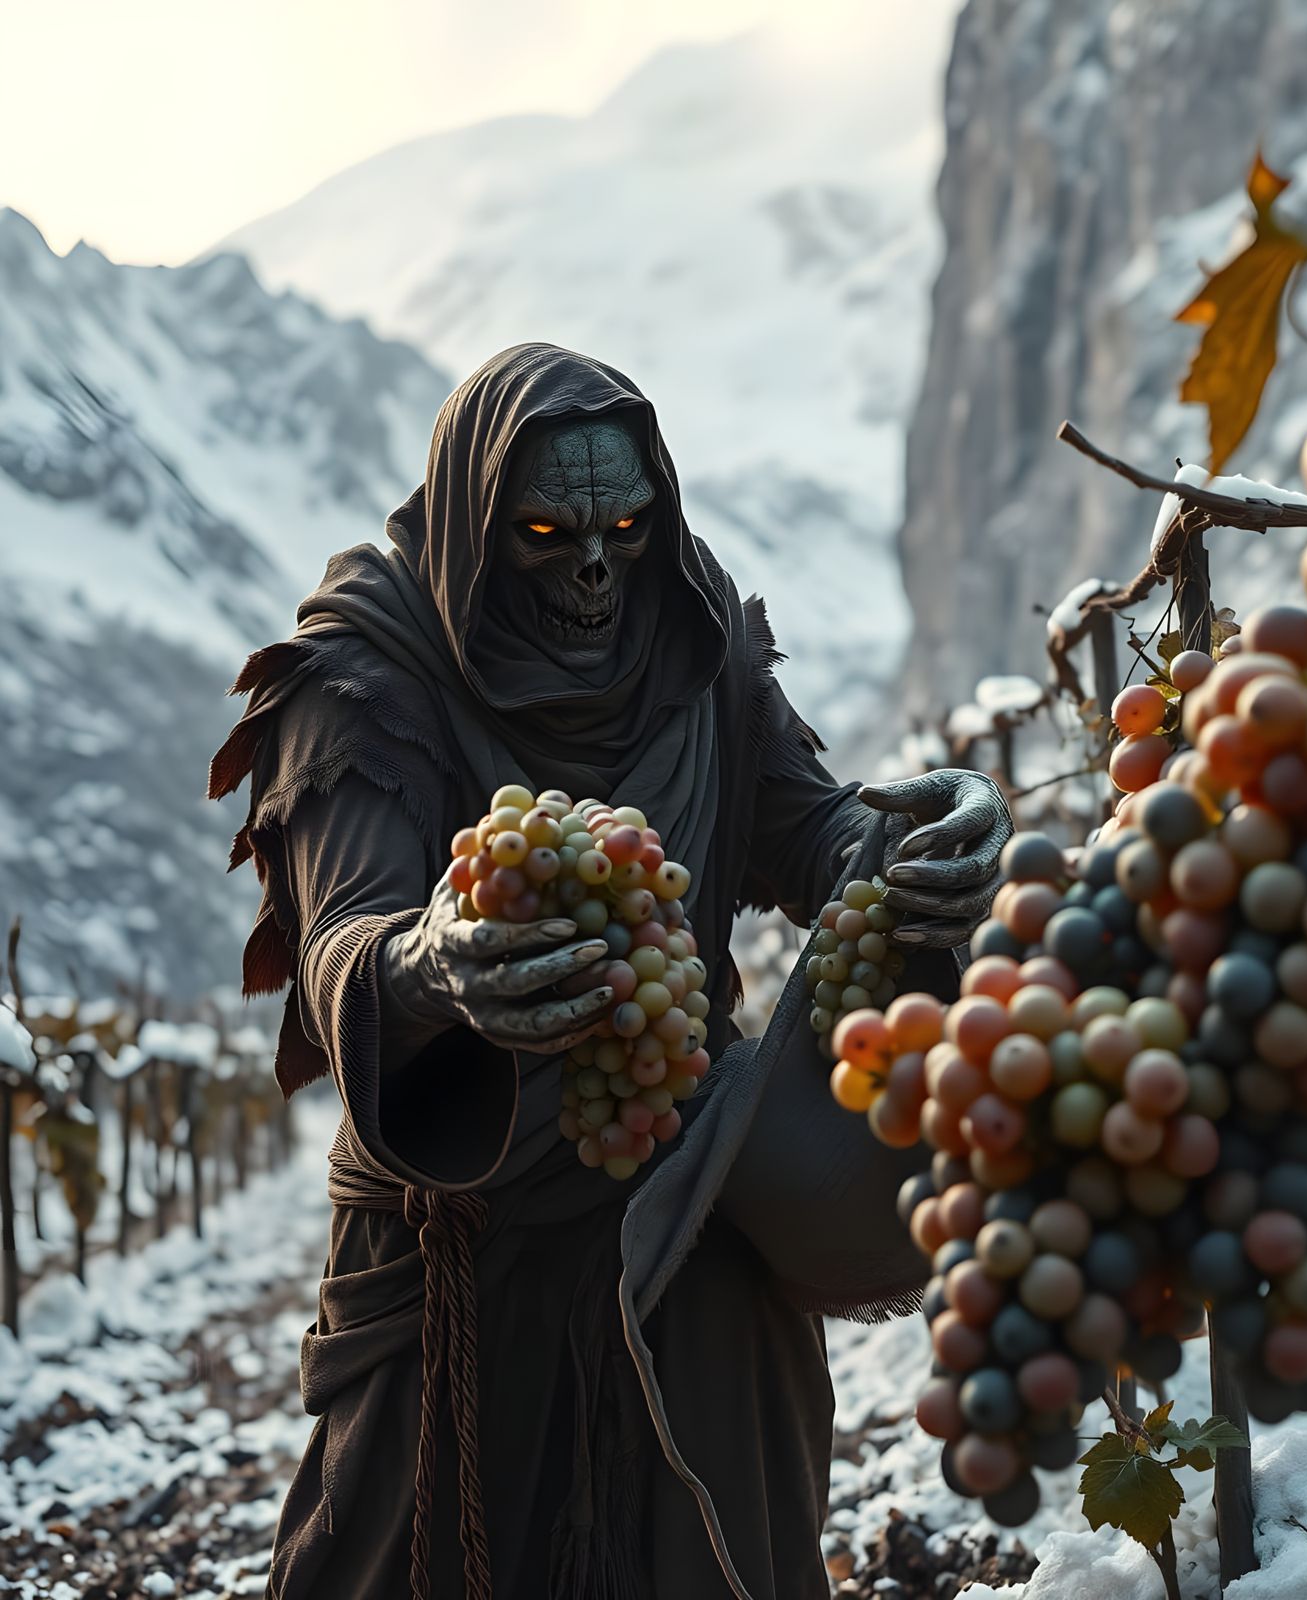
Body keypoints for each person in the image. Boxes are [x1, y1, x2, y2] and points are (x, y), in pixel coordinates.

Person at [209, 343, 1010, 1599]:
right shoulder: (367, 672)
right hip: (459, 1250)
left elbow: (807, 829)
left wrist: (918, 839)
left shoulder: (689, 625)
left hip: (686, 1206)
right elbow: (344, 940)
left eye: (625, 526)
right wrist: (427, 968)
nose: (596, 565)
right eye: (546, 531)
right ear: (478, 520)